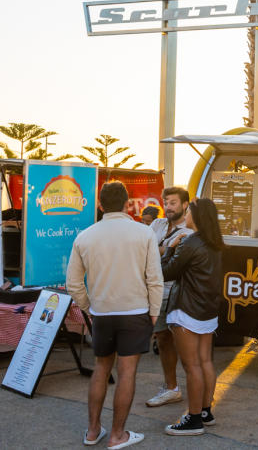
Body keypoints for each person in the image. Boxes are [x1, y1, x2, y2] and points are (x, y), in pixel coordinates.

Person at [66, 181, 163, 450]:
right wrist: (154, 312)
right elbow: (155, 279)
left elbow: (73, 283)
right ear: (127, 204)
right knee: (127, 373)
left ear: (100, 205)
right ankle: (117, 435)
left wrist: (89, 308)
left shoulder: (84, 237)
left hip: (102, 313)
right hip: (136, 312)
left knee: (101, 369)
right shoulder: (144, 233)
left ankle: (92, 431)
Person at [161, 198, 224, 436]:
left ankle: (194, 419)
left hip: (187, 310)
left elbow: (166, 272)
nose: (185, 215)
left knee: (192, 366)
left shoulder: (190, 242)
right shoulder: (215, 243)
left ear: (196, 217)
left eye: (188, 212)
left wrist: (170, 248)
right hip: (207, 310)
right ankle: (206, 412)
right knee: (205, 361)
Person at [146, 187, 194, 408]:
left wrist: (159, 249)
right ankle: (172, 388)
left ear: (185, 205)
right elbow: (144, 248)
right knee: (163, 340)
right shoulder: (157, 224)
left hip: (176, 292)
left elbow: (176, 256)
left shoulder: (190, 230)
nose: (168, 207)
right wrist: (166, 248)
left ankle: (198, 394)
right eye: (166, 202)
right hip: (155, 291)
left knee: (185, 344)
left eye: (173, 203)